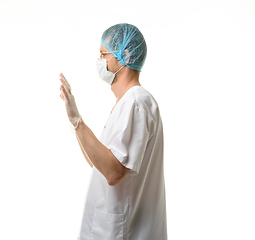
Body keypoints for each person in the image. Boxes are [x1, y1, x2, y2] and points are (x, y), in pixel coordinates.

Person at [59, 23, 167, 240]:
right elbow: (98, 163)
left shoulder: (136, 103)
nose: (99, 61)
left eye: (103, 54)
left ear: (124, 55)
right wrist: (75, 121)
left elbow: (113, 172)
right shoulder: (127, 102)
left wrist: (78, 121)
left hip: (123, 232)